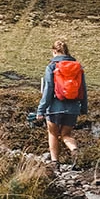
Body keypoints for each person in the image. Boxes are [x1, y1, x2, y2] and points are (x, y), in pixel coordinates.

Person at [37, 38, 88, 166]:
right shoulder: (77, 67)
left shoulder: (52, 66)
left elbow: (48, 89)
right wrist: (83, 108)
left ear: (54, 51)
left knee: (53, 134)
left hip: (54, 108)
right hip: (73, 108)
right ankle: (74, 149)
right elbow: (83, 89)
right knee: (66, 134)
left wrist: (41, 110)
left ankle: (55, 162)